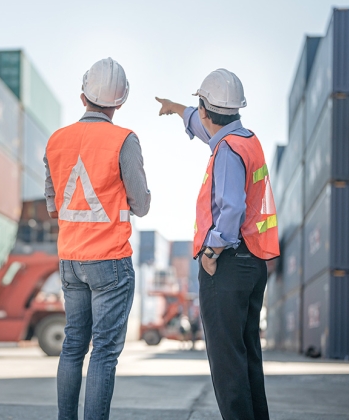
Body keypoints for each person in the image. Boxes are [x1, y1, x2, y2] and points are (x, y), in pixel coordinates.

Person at [156, 69, 279, 420]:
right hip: (253, 262)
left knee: (227, 365)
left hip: (226, 265)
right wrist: (177, 109)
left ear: (206, 110)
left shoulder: (226, 151)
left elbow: (232, 207)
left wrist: (212, 251)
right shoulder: (245, 138)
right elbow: (202, 124)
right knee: (246, 357)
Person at [44, 57, 150, 420]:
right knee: (103, 351)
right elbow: (142, 204)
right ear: (119, 103)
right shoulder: (123, 140)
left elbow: (53, 204)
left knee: (73, 345)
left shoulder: (56, 141)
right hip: (109, 260)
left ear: (83, 95)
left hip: (70, 260)